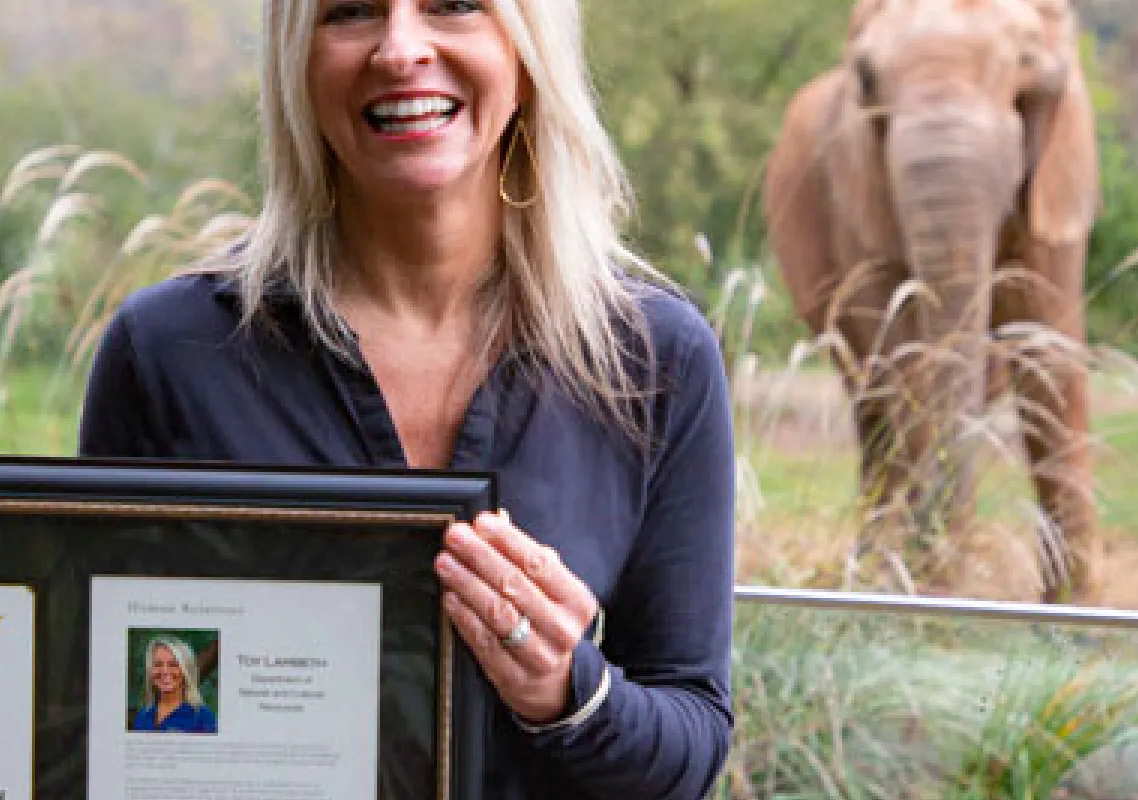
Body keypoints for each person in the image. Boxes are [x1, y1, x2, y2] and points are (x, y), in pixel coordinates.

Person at [77, 0, 735, 796]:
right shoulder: (167, 353)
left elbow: (691, 750)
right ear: (297, 67)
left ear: (528, 55)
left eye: (453, 6)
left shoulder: (657, 360)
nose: (399, 50)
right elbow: (103, 718)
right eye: (349, 12)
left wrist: (570, 692)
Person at [129, 636, 218, 734]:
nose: (165, 671)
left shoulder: (202, 717)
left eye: (173, 665)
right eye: (158, 664)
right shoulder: (143, 716)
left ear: (186, 671)